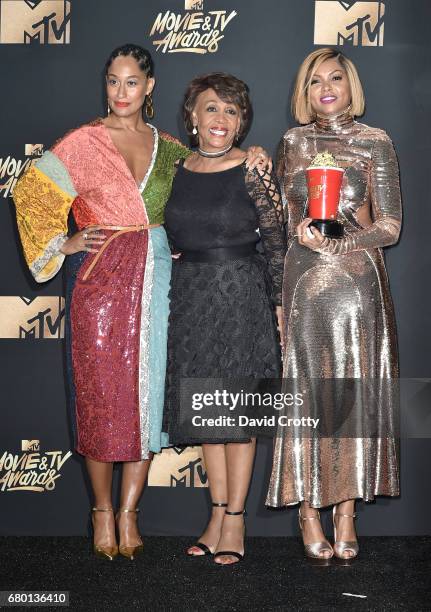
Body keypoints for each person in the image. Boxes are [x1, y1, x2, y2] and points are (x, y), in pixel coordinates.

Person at [13, 45, 269, 561]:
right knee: (100, 396)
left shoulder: (171, 149)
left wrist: (257, 155)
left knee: (148, 396)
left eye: (132, 82)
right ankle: (101, 512)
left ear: (149, 88)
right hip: (100, 283)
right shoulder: (81, 143)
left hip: (159, 279)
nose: (121, 92)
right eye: (112, 81)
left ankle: (131, 513)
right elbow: (31, 192)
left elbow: (208, 185)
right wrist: (61, 244)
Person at [266, 47, 401, 564]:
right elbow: (277, 225)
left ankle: (345, 513)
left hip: (357, 284)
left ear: (351, 86)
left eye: (336, 78)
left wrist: (341, 243)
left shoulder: (375, 142)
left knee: (351, 397)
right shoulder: (293, 142)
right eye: (315, 80)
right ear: (304, 91)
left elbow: (391, 225)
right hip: (303, 284)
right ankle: (307, 511)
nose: (326, 87)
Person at [163, 72, 286, 565]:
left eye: (232, 112)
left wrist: (278, 306)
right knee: (208, 414)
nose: (222, 119)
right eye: (212, 108)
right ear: (192, 115)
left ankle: (235, 520)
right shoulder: (176, 167)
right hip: (191, 296)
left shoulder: (253, 169)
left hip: (240, 294)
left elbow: (277, 243)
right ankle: (214, 514)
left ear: (242, 124)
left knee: (237, 413)